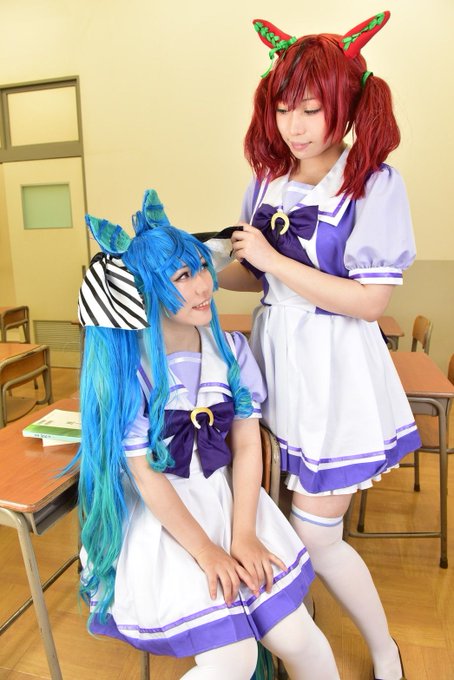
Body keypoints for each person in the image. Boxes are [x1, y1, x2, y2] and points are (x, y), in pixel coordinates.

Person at [217, 12, 419, 680]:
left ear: (348, 104)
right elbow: (253, 273)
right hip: (278, 358)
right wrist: (197, 266)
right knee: (273, 516)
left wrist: (272, 261)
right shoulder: (266, 181)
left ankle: (384, 649)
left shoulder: (374, 183)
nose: (294, 126)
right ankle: (292, 645)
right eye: (283, 109)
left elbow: (370, 301)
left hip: (336, 368)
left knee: (317, 533)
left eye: (310, 108)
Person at [74, 189, 340, 680]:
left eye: (201, 268)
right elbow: (146, 477)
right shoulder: (131, 372)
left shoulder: (229, 350)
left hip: (231, 503)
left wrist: (243, 535)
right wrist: (206, 551)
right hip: (164, 522)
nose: (204, 285)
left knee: (299, 639)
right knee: (234, 659)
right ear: (146, 289)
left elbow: (247, 445)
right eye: (182, 276)